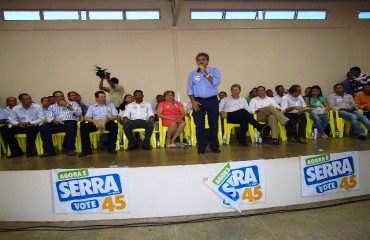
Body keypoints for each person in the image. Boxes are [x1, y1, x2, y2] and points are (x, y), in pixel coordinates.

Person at [188, 52, 221, 154]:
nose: (200, 61)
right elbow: (190, 90)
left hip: (212, 100)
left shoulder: (214, 71)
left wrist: (205, 72)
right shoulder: (193, 74)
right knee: (199, 125)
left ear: (207, 61)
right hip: (198, 101)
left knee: (214, 124)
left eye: (203, 59)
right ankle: (201, 147)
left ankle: (214, 146)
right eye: (199, 60)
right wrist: (193, 102)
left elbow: (215, 82)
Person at [39, 91, 82, 157]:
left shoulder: (73, 103)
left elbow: (78, 113)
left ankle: (70, 149)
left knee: (70, 125)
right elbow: (49, 116)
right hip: (57, 124)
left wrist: (67, 105)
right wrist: (53, 120)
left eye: (62, 96)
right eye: (58, 97)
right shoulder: (52, 107)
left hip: (70, 122)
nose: (61, 98)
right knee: (44, 127)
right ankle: (49, 151)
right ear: (54, 98)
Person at [2, 93, 44, 158]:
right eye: (27, 99)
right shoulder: (16, 108)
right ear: (21, 100)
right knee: (7, 131)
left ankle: (29, 150)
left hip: (32, 125)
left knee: (31, 130)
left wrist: (29, 123)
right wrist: (17, 124)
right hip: (20, 126)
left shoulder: (37, 107)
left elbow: (42, 119)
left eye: (30, 98)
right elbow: (11, 119)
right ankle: (16, 151)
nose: (29, 100)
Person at [78, 91, 119, 157]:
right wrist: (93, 120)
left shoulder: (110, 105)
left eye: (104, 97)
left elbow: (115, 116)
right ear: (96, 99)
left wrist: (109, 119)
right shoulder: (92, 107)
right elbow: (86, 118)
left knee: (114, 126)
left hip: (107, 121)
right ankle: (86, 150)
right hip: (95, 122)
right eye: (101, 97)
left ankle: (112, 148)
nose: (104, 98)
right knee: (84, 127)